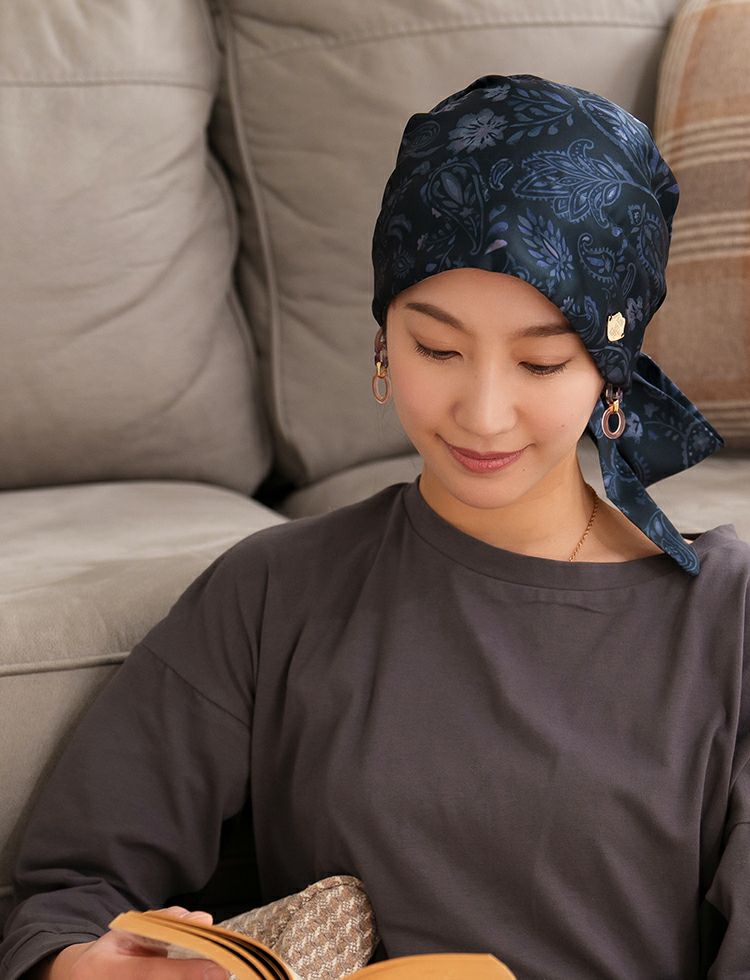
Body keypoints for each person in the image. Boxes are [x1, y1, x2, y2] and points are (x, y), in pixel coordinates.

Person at [1, 74, 748, 980]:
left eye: (543, 362)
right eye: (438, 348)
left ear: (611, 373)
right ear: (384, 339)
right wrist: (84, 964)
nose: (483, 414)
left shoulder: (725, 620)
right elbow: (66, 891)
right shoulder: (273, 592)